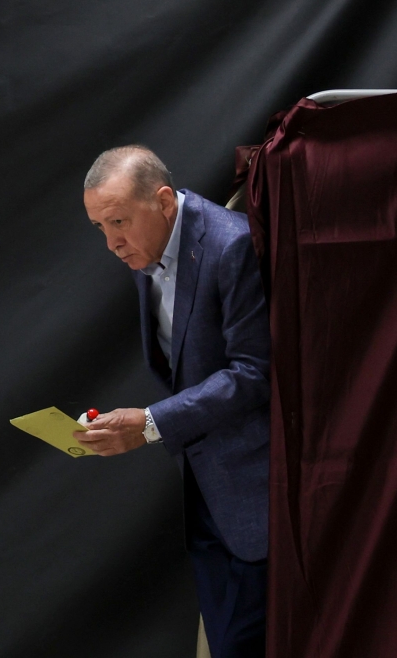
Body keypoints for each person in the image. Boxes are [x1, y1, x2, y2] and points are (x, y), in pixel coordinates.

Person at [75, 145, 270, 658]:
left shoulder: (232, 247)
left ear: (163, 202)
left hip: (256, 491)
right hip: (205, 485)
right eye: (100, 228)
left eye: (118, 221)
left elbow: (256, 373)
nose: (113, 243)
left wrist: (152, 423)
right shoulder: (148, 249)